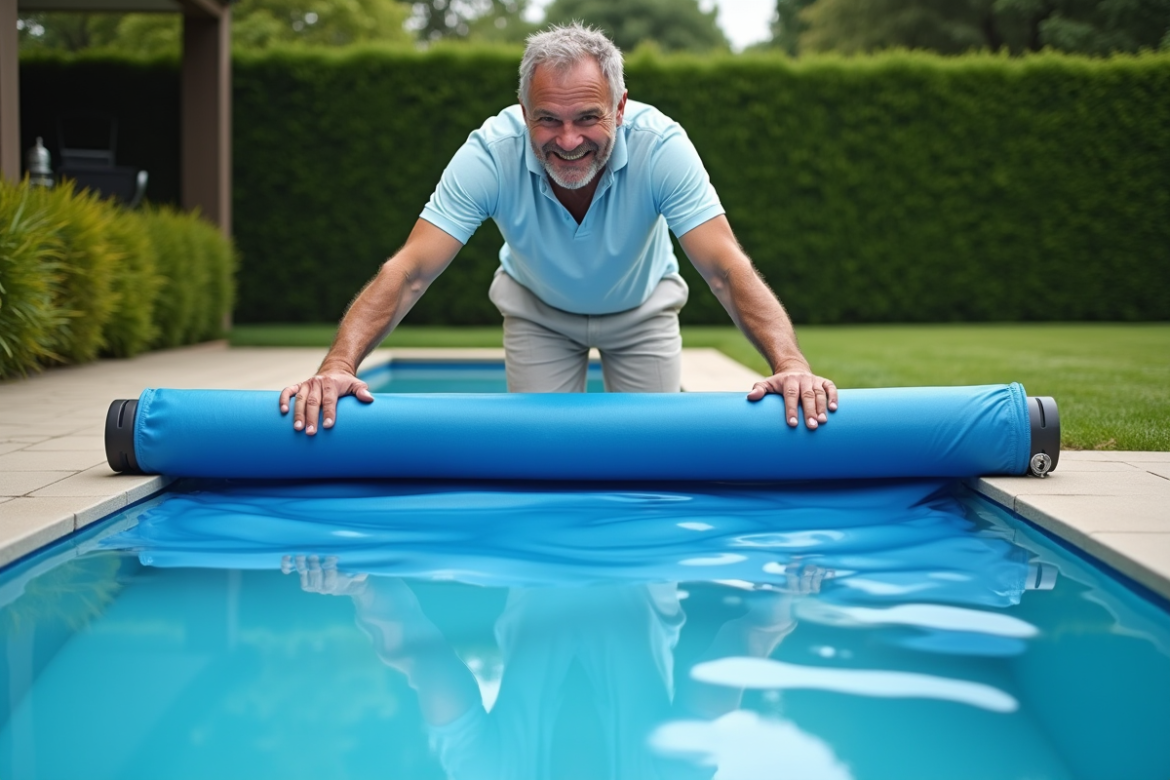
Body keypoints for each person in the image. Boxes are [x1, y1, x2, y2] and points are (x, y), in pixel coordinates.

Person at [280, 23, 837, 435]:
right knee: (537, 456)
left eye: (587, 118)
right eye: (548, 119)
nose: (567, 140)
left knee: (650, 460)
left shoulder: (662, 147)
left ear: (620, 108)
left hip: (641, 312)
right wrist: (337, 366)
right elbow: (410, 271)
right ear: (524, 112)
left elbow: (723, 267)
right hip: (539, 315)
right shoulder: (491, 153)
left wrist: (790, 365)